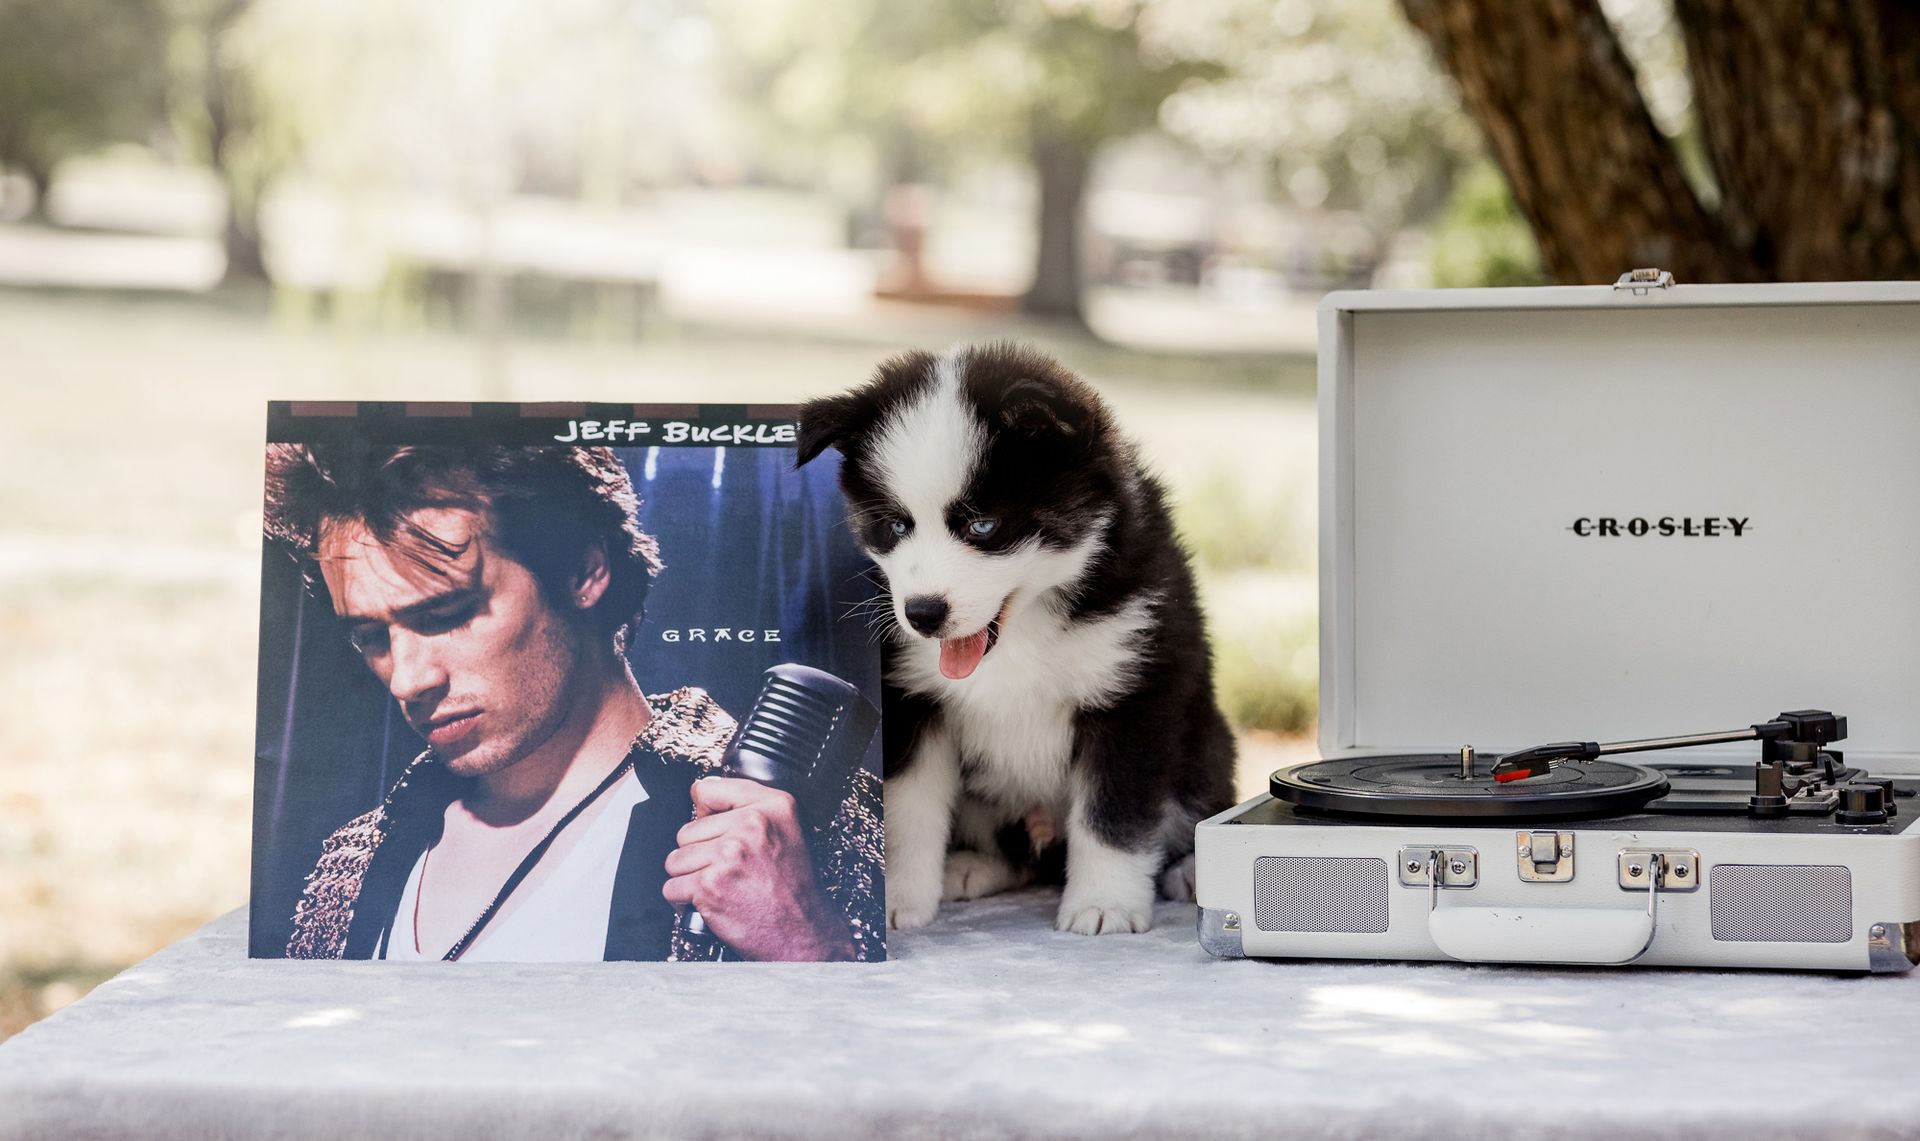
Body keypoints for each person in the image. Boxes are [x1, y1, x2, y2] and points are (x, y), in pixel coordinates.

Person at [263, 442, 882, 962]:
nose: (406, 680)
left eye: (446, 615)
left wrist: (807, 944)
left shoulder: (795, 825)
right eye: (373, 637)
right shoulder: (355, 859)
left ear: (586, 572)